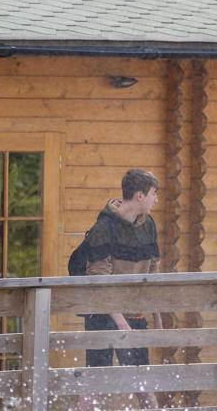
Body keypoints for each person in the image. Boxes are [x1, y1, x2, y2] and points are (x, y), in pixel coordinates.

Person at [79, 168, 161, 410]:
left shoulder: (149, 225)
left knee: (143, 384)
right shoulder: (103, 228)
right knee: (95, 384)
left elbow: (152, 274)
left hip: (135, 315)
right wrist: (120, 321)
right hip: (102, 316)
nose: (156, 199)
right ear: (139, 195)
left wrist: (157, 316)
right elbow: (98, 281)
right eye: (153, 194)